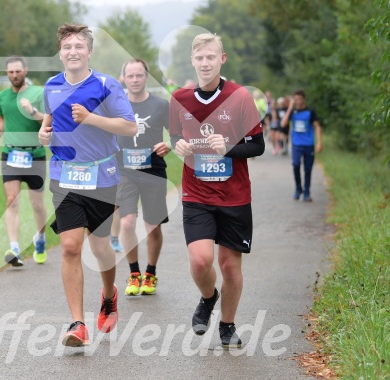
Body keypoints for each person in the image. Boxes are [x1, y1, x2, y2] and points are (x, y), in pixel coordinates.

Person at [38, 23, 137, 347]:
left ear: (89, 52)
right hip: (64, 175)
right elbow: (49, 121)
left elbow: (129, 127)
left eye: (79, 46)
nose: (73, 52)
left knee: (99, 248)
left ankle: (109, 295)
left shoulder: (107, 85)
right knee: (69, 247)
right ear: (61, 52)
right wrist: (44, 133)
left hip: (101, 176)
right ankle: (78, 323)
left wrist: (92, 118)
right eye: (67, 47)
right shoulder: (51, 86)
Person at [169, 33, 265, 349]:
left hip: (235, 195)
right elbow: (174, 137)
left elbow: (257, 145)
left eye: (211, 56)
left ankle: (227, 325)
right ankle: (208, 298)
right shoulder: (180, 99)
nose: (205, 62)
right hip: (196, 193)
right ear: (193, 61)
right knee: (200, 261)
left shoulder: (239, 97)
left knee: (228, 265)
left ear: (221, 59)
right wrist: (177, 145)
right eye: (200, 58)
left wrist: (228, 148)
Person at [116, 59, 171, 296]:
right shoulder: (115, 105)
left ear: (146, 77)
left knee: (153, 228)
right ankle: (133, 272)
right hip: (125, 172)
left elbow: (178, 134)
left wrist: (168, 144)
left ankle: (150, 273)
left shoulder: (160, 105)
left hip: (154, 172)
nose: (135, 80)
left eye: (139, 75)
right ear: (124, 78)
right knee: (127, 222)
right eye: (131, 76)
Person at [0, 56, 48, 266]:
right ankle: (14, 248)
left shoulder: (38, 93)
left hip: (36, 156)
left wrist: (32, 111)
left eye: (18, 71)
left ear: (25, 70)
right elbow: (2, 120)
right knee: (11, 200)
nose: (15, 75)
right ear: (7, 74)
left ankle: (40, 238)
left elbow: (47, 120)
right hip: (11, 154)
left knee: (37, 205)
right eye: (11, 72)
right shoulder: (2, 96)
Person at [280, 89, 322, 202]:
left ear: (304, 99)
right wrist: (290, 107)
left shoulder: (310, 112)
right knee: (296, 165)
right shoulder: (292, 112)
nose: (298, 101)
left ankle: (307, 193)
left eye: (300, 99)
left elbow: (317, 126)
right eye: (296, 99)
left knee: (308, 169)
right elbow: (283, 124)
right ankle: (298, 189)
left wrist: (319, 143)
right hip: (296, 144)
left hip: (308, 144)